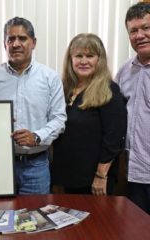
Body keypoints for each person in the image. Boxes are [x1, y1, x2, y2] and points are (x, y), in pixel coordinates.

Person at [0, 17, 66, 194]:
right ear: (5, 44)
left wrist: (37, 137)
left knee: (34, 220)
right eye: (11, 39)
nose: (16, 44)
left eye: (22, 38)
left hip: (36, 166)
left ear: (33, 42)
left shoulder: (49, 78)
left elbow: (59, 119)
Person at [51, 33, 127, 195]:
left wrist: (101, 176)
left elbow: (114, 139)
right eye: (78, 56)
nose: (83, 61)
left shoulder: (109, 90)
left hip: (94, 180)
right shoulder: (63, 89)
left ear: (99, 60)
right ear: (70, 59)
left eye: (90, 56)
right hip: (65, 177)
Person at [115, 2, 150, 214]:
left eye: (146, 28)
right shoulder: (124, 72)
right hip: (134, 174)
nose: (140, 35)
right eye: (133, 31)